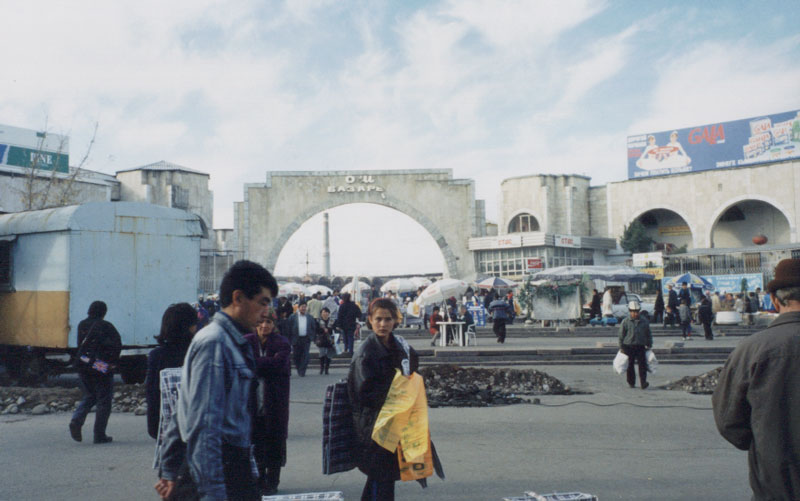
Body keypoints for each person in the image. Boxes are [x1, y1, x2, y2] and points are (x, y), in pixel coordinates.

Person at [155, 260, 278, 501]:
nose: (268, 312)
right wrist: (212, 494)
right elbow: (204, 428)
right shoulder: (216, 344)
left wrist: (169, 470)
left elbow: (182, 413)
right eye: (263, 302)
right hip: (222, 470)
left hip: (230, 466)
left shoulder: (232, 342)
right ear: (238, 298)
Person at [712, 258, 800, 500]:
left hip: (773, 486)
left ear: (774, 300)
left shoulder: (751, 350)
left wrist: (765, 441)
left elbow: (729, 421)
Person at [347, 297, 419, 501]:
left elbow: (413, 368)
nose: (383, 324)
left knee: (382, 476)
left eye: (388, 319)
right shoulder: (365, 353)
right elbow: (364, 393)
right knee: (381, 474)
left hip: (394, 421)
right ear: (369, 319)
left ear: (395, 321)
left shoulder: (400, 346)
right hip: (374, 425)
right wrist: (398, 394)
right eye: (378, 319)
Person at [245, 308, 291, 496]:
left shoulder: (282, 343)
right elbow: (243, 363)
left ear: (274, 324)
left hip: (275, 401)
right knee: (255, 442)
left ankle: (272, 481)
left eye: (269, 322)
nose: (264, 326)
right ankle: (258, 479)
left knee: (275, 442)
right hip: (251, 402)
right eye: (261, 322)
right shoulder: (246, 341)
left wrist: (256, 363)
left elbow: (279, 365)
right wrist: (266, 362)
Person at [69, 300, 122, 444]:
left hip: (84, 362)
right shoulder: (106, 326)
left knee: (90, 395)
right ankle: (99, 434)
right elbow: (117, 345)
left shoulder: (82, 324)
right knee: (104, 399)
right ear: (103, 312)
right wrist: (111, 364)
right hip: (100, 365)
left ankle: (76, 420)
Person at [146, 303, 198, 440]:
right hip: (198, 430)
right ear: (190, 327)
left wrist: (154, 428)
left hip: (167, 431)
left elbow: (152, 394)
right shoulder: (199, 353)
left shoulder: (157, 356)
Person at [618, 301, 653, 389]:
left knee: (642, 365)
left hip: (640, 346)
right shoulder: (625, 321)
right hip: (628, 346)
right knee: (630, 365)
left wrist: (649, 344)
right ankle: (631, 382)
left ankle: (643, 382)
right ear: (630, 312)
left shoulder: (644, 321)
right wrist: (621, 347)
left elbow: (648, 333)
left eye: (636, 311)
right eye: (633, 311)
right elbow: (621, 335)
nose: (635, 313)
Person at [286, 300, 318, 377]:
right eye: (302, 307)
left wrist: (312, 337)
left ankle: (302, 370)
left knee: (306, 355)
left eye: (305, 307)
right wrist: (289, 339)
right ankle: (298, 368)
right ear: (299, 307)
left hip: (306, 339)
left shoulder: (310, 317)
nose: (303, 308)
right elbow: (289, 328)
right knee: (296, 355)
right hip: (296, 339)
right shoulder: (293, 317)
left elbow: (313, 328)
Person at [316, 307, 335, 375]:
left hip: (330, 339)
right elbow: (316, 330)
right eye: (324, 312)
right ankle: (321, 368)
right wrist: (323, 330)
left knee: (329, 355)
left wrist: (329, 330)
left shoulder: (332, 321)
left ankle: (327, 369)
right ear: (321, 313)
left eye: (327, 312)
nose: (325, 314)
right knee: (322, 354)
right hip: (321, 340)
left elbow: (335, 330)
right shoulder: (318, 321)